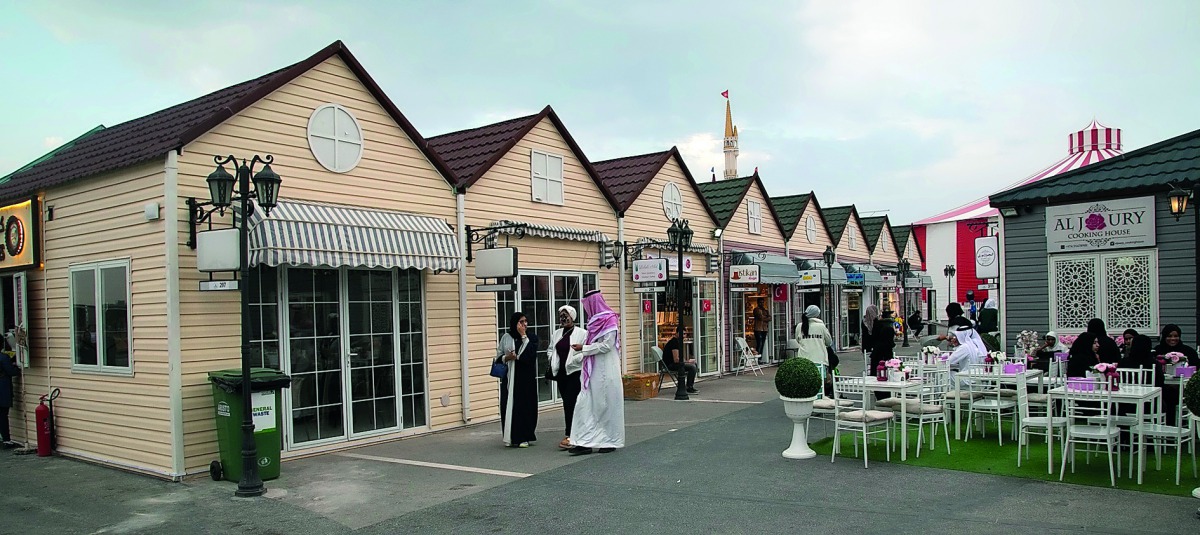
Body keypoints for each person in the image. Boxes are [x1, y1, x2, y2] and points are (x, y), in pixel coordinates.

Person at [568, 290, 625, 456]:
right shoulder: (593, 322)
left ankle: (608, 441)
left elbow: (607, 346)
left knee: (605, 405)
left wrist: (584, 349)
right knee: (586, 405)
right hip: (593, 372)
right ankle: (583, 442)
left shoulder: (609, 320)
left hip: (607, 371)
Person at [548, 305, 587, 450]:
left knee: (572, 403)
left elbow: (586, 350)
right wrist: (551, 358)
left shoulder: (582, 333)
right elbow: (551, 349)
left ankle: (572, 433)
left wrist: (575, 360)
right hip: (561, 374)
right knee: (566, 403)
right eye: (561, 316)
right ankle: (571, 432)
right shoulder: (557, 333)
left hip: (575, 373)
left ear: (572, 316)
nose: (563, 318)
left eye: (566, 315)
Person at [497, 312, 538, 448]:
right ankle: (511, 436)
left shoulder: (531, 337)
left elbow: (530, 356)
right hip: (510, 379)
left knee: (525, 407)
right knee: (510, 406)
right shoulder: (506, 337)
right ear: (515, 324)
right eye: (521, 322)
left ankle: (524, 436)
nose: (524, 324)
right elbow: (498, 357)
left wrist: (523, 336)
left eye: (526, 321)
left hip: (525, 380)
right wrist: (507, 358)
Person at [1153, 324, 1198, 426]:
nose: (1173, 339)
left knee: (1171, 394)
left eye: (1176, 336)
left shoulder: (1188, 351)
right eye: (1169, 336)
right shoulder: (1158, 351)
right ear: (1164, 336)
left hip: (1184, 388)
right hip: (1162, 388)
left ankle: (1172, 426)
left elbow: (1196, 368)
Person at [869, 309, 896, 400]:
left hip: (876, 353)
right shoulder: (889, 326)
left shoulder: (877, 324)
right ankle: (886, 396)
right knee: (886, 374)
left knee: (876, 374)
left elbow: (873, 338)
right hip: (886, 354)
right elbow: (890, 342)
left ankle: (879, 395)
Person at [1, 351, 20, 448]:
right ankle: (6, 440)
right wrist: (16, 366)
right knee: (3, 415)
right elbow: (12, 372)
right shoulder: (3, 357)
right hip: (2, 390)